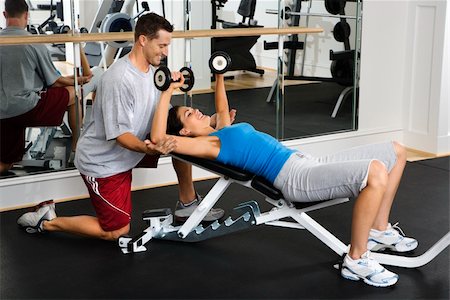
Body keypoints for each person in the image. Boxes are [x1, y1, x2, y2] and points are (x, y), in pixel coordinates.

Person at [149, 71, 418, 287]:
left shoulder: (220, 130)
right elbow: (160, 140)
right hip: (296, 178)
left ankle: (378, 231)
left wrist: (219, 75)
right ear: (184, 132)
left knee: (396, 151)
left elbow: (222, 109)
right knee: (375, 172)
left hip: (307, 162)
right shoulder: (208, 145)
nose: (195, 111)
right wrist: (166, 93)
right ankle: (356, 259)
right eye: (188, 114)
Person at [16, 13, 228, 241]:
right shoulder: (119, 80)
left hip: (129, 151)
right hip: (103, 163)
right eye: (162, 45)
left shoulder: (153, 72)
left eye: (168, 46)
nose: (166, 52)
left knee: (178, 132)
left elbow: (163, 115)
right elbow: (121, 137)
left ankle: (188, 203)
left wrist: (211, 121)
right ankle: (46, 221)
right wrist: (149, 149)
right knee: (116, 231)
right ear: (143, 40)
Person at [0, 0, 93, 174]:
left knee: (6, 164)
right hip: (26, 109)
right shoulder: (34, 42)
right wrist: (77, 80)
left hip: (2, 113)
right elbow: (54, 81)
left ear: (5, 15)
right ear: (27, 15)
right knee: (73, 93)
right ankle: (76, 147)